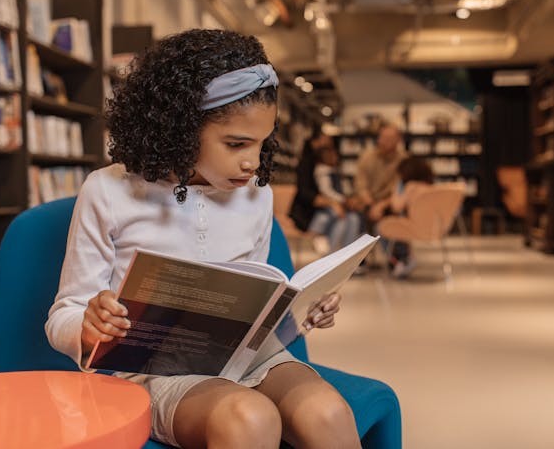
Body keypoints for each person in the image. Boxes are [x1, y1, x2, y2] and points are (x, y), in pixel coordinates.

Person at [45, 29, 360, 449]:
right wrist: (88, 328)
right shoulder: (108, 191)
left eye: (262, 143)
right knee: (249, 417)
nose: (251, 162)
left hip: (251, 359)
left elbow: (256, 295)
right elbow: (65, 312)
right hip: (158, 371)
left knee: (329, 413)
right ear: (181, 127)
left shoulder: (256, 194)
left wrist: (301, 309)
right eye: (235, 143)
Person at [374, 156, 435, 278]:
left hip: (411, 226)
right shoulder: (432, 187)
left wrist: (395, 191)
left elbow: (397, 206)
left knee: (382, 228)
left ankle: (400, 261)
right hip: (433, 226)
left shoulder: (410, 186)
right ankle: (403, 259)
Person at [307, 145, 362, 253]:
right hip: (328, 205)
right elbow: (326, 191)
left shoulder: (333, 171)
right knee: (341, 220)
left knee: (352, 219)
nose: (336, 157)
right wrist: (342, 200)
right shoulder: (323, 171)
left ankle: (347, 253)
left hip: (336, 204)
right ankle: (332, 252)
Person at [354, 123, 405, 232]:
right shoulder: (367, 157)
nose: (382, 141)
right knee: (355, 218)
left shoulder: (404, 161)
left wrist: (382, 205)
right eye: (381, 137)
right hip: (368, 202)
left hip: (391, 203)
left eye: (388, 139)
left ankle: (395, 248)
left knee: (396, 218)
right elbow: (361, 186)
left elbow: (400, 189)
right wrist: (372, 205)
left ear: (398, 141)